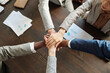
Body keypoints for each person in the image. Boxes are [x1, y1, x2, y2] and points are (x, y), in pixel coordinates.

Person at [46, 0, 110, 48]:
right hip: (84, 26)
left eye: (109, 3)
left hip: (100, 39)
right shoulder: (96, 1)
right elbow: (77, 12)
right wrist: (61, 32)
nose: (104, 3)